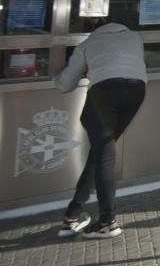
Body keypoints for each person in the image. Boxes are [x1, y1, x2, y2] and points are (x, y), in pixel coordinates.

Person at [54, 19, 147, 239]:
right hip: (137, 90)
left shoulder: (87, 44)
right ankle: (72, 215)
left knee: (103, 155)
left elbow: (65, 85)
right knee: (101, 150)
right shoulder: (134, 37)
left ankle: (107, 221)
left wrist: (59, 74)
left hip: (104, 93)